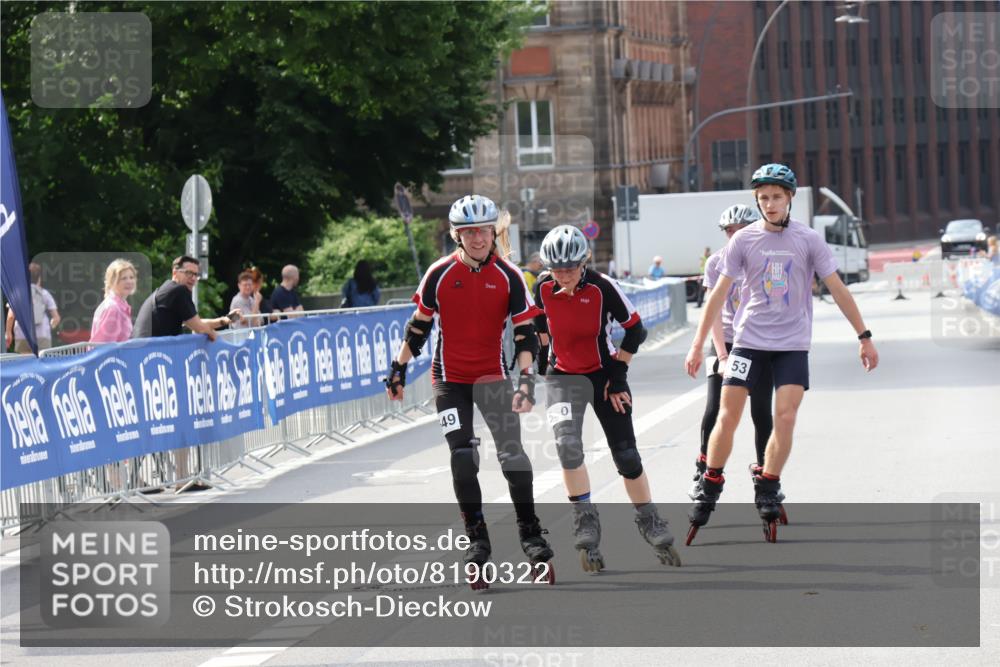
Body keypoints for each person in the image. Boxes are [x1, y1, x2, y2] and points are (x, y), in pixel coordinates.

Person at [684, 164, 879, 543]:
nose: (770, 204)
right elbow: (717, 296)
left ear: (790, 198)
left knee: (784, 417)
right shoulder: (743, 241)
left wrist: (864, 335)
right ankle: (710, 482)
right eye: (763, 198)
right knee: (727, 414)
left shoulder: (808, 240)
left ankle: (768, 484)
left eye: (776, 197)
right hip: (749, 342)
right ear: (756, 201)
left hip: (791, 344)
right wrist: (697, 346)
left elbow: (838, 288)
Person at [384, 194, 554, 589]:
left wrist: (526, 381)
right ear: (456, 235)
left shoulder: (509, 275)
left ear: (494, 232)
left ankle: (531, 534)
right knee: (463, 458)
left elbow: (525, 334)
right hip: (449, 381)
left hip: (492, 377)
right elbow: (418, 327)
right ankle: (477, 540)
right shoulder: (439, 273)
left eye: (484, 231)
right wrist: (398, 368)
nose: (478, 239)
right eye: (469, 232)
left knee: (513, 457)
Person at [534, 225, 680, 572]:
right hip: (562, 378)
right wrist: (542, 355)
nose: (563, 275)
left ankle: (649, 519)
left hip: (604, 376)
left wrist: (618, 377)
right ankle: (585, 519)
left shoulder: (602, 287)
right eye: (557, 269)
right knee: (567, 447)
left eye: (570, 268)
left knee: (626, 455)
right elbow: (539, 320)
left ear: (583, 262)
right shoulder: (542, 287)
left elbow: (635, 329)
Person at [691, 206, 778, 519]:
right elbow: (712, 312)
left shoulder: (769, 259)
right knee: (715, 407)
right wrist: (722, 356)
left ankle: (766, 477)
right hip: (725, 342)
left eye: (741, 230)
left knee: (761, 411)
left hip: (758, 343)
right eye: (729, 231)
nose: (734, 235)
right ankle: (704, 468)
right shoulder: (716, 262)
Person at [132, 256, 232, 492]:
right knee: (177, 422)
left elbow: (193, 322)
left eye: (196, 275)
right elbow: (199, 328)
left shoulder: (167, 290)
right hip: (158, 370)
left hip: (149, 368)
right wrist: (220, 342)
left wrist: (222, 321)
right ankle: (179, 478)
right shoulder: (177, 291)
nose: (193, 279)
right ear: (175, 272)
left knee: (160, 425)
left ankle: (174, 478)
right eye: (189, 273)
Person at [5, 262, 60, 353]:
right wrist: (50, 326)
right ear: (39, 278)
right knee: (42, 360)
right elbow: (56, 318)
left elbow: (11, 316)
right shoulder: (44, 294)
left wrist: (8, 333)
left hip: (22, 335)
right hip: (42, 335)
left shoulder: (18, 294)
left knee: (26, 361)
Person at [90, 259, 138, 342]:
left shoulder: (120, 305)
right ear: (112, 281)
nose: (129, 281)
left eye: (131, 277)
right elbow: (104, 345)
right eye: (123, 278)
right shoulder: (113, 309)